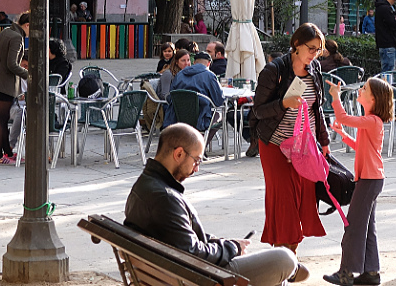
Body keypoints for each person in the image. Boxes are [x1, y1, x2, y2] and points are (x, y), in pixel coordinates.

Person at [124, 123, 302, 286]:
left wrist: (223, 243)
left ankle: (289, 275)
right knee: (284, 258)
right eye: (196, 160)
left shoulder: (145, 185)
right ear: (178, 154)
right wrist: (233, 248)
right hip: (201, 277)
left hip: (178, 273)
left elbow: (179, 236)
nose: (196, 168)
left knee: (277, 277)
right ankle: (292, 271)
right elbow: (192, 253)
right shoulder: (164, 197)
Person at [250, 23, 330, 255]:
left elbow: (318, 108)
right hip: (275, 144)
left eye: (318, 50)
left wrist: (323, 141)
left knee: (303, 198)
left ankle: (288, 257)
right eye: (311, 48)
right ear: (296, 44)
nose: (315, 54)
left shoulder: (314, 69)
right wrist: (283, 103)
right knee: (283, 201)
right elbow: (258, 111)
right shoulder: (274, 70)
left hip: (304, 146)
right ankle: (284, 259)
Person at [322, 77, 393, 286]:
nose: (360, 90)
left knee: (353, 226)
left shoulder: (372, 121)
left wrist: (335, 97)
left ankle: (347, 272)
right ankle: (371, 273)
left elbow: (343, 116)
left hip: (370, 180)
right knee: (367, 227)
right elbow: (362, 146)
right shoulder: (371, 121)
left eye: (364, 88)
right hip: (372, 179)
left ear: (373, 98)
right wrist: (343, 135)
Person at [0, 11, 30, 164]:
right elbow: (12, 64)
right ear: (27, 25)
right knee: (1, 120)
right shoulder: (17, 38)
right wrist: (28, 75)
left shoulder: (7, 31)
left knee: (1, 120)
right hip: (5, 83)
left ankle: (7, 153)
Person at [163, 52, 225, 130]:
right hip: (200, 119)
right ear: (209, 64)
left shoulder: (180, 74)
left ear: (194, 62)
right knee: (219, 116)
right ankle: (203, 141)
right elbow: (219, 101)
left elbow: (170, 97)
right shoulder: (210, 75)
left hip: (177, 118)